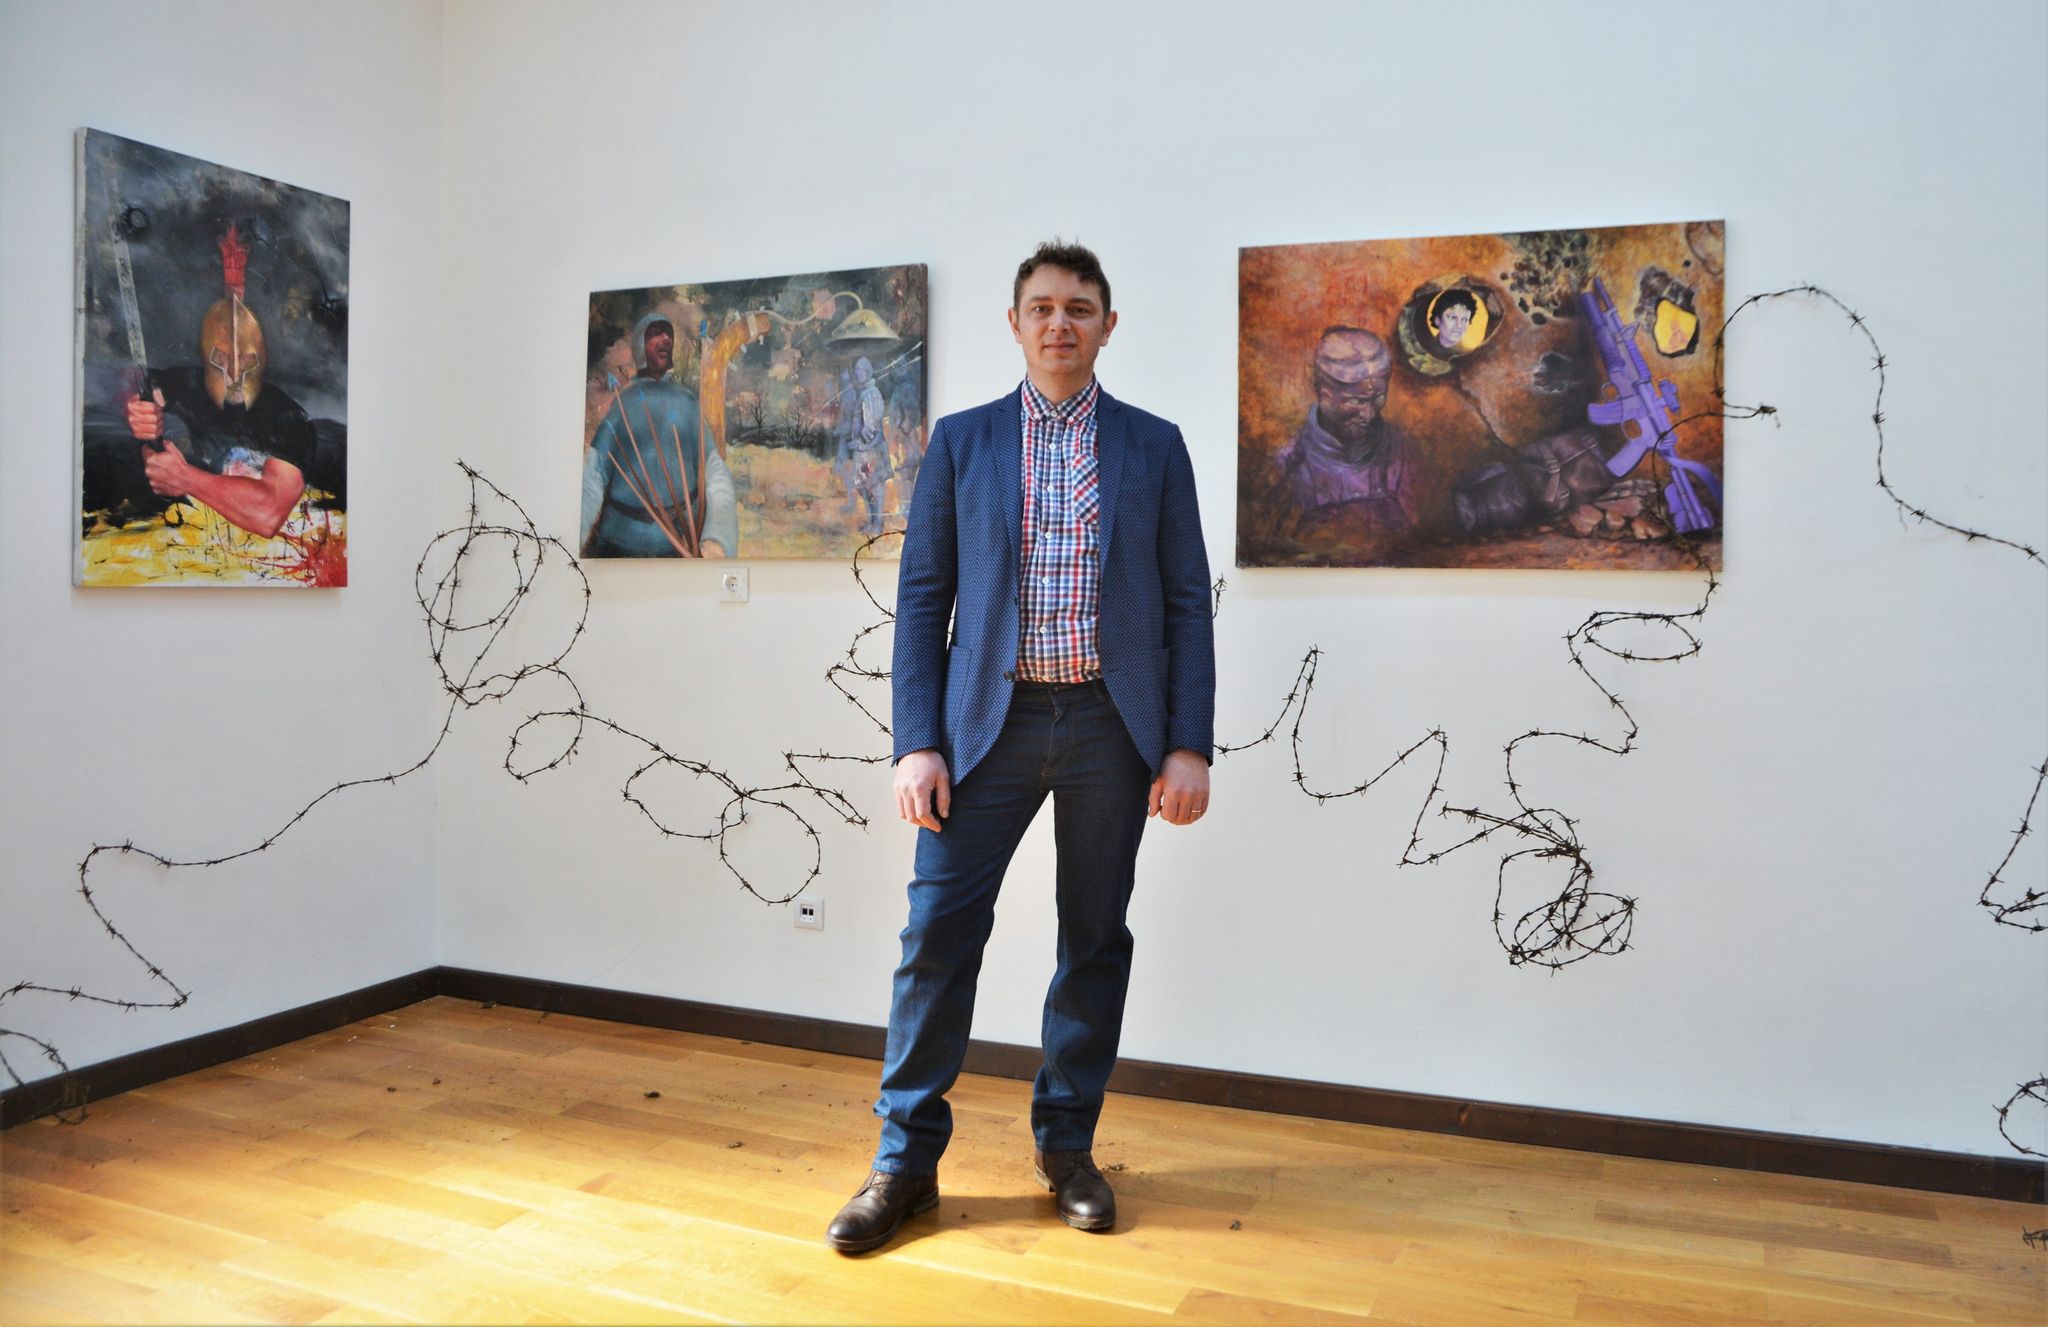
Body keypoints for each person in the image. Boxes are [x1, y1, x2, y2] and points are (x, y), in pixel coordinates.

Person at [825, 241, 1216, 1253]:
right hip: (980, 732)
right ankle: (903, 1164)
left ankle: (1066, 1146)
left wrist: (1188, 745)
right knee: (936, 936)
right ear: (1013, 324)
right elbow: (923, 600)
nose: (1058, 323)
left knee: (1094, 936)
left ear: (1107, 326)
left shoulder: (1154, 446)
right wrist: (917, 741)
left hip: (1110, 727)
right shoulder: (963, 442)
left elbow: (1186, 602)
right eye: (1040, 307)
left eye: (1078, 307)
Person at [123, 288, 313, 539]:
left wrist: (184, 478)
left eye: (246, 360)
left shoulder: (287, 418)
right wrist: (137, 409)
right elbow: (134, 384)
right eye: (221, 358)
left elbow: (269, 513)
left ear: (259, 358)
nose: (234, 371)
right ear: (208, 354)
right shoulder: (187, 384)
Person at [580, 312, 738, 558]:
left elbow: (715, 471)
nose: (666, 339)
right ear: (640, 345)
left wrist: (717, 538)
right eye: (656, 333)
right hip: (618, 542)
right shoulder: (623, 405)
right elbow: (593, 475)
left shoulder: (686, 403)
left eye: (669, 334)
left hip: (677, 543)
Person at [1275, 326, 1420, 533]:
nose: (1369, 415)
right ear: (1321, 390)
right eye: (1355, 401)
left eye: (1377, 398)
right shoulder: (1288, 464)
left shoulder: (1402, 450)